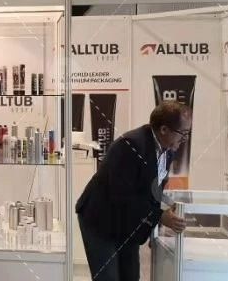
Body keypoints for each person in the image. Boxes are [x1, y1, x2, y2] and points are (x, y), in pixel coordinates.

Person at [76, 101, 190, 281]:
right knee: (109, 277)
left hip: (127, 221)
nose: (185, 139)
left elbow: (153, 189)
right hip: (100, 218)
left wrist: (157, 221)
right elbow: (122, 196)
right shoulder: (130, 145)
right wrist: (159, 216)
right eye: (182, 133)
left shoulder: (168, 148)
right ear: (164, 129)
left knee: (130, 276)